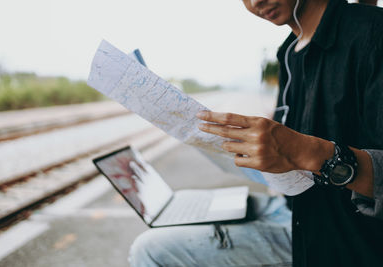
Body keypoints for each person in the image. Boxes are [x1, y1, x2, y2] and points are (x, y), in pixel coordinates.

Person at [129, 0, 383, 266]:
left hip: (342, 232)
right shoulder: (289, 52)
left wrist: (304, 151)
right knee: (186, 212)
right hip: (294, 208)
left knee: (150, 250)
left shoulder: (373, 33)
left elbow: (302, 151)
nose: (255, 3)